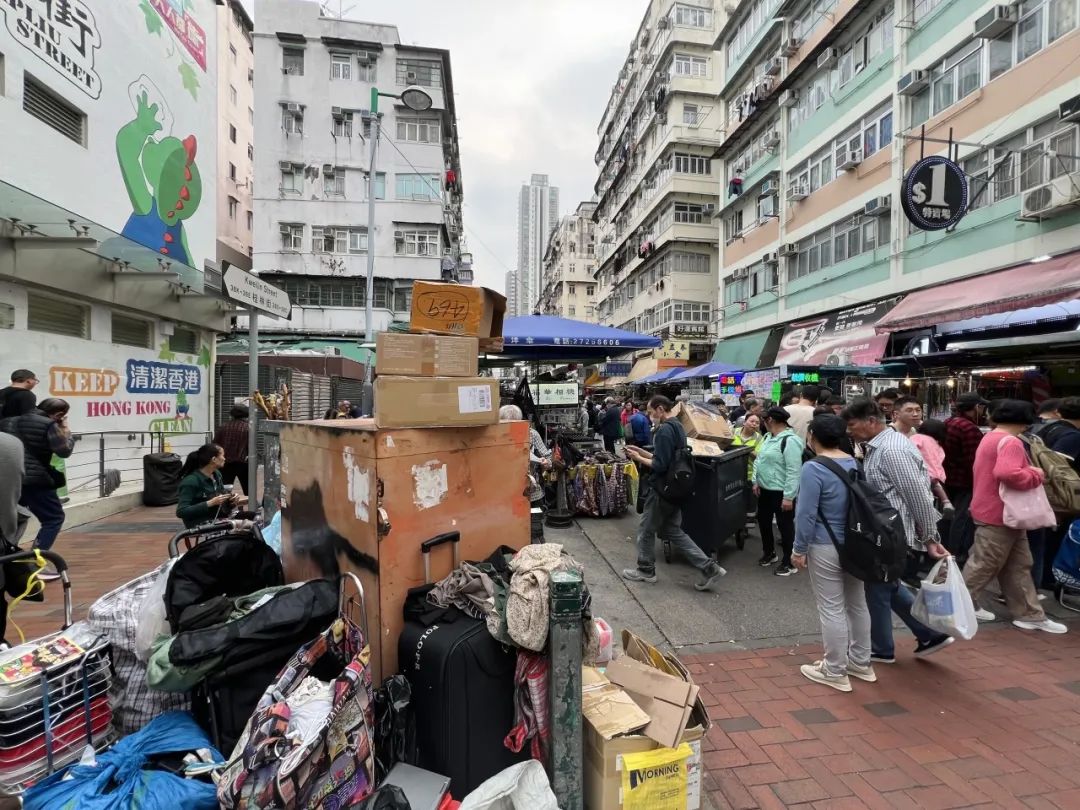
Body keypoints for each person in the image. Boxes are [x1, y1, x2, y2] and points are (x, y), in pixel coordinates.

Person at [842, 399, 954, 662]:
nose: (849, 430)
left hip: (891, 533)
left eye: (852, 424)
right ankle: (928, 633)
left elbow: (918, 496)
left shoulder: (892, 449)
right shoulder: (881, 445)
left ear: (871, 421)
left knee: (878, 587)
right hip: (885, 531)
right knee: (886, 584)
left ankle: (882, 647)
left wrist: (930, 537)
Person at [963, 400, 1067, 634]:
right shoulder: (1011, 441)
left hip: (996, 510)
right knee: (986, 564)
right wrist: (1036, 474)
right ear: (1025, 420)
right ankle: (957, 605)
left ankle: (1029, 614)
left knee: (1015, 565)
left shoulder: (991, 437)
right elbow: (1007, 473)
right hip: (1002, 512)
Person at [791, 414, 875, 692]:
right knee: (857, 603)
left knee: (831, 607)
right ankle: (861, 661)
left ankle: (835, 669)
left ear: (812, 436)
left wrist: (798, 548)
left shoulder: (813, 468)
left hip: (824, 543)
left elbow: (806, 513)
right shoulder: (854, 463)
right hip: (855, 541)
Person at [622, 396, 726, 590]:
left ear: (660, 409)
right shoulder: (678, 426)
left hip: (662, 490)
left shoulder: (663, 431)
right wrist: (641, 452)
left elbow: (660, 465)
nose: (650, 416)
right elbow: (668, 459)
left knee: (646, 530)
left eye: (651, 412)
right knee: (672, 531)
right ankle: (710, 568)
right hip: (676, 488)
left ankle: (645, 570)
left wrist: (638, 458)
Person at [6, 399, 76, 576]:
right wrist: (66, 430)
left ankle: (8, 559)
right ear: (59, 415)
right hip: (35, 480)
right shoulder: (49, 425)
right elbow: (64, 451)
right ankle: (35, 564)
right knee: (53, 518)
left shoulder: (8, 421)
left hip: (9, 478)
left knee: (15, 517)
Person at [753, 407, 804, 576]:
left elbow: (794, 470)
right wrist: (755, 481)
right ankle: (769, 552)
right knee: (764, 521)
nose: (762, 423)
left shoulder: (790, 441)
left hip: (781, 491)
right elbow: (759, 460)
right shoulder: (768, 437)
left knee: (785, 526)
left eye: (764, 419)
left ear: (771, 420)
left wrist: (789, 497)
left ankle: (789, 562)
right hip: (765, 490)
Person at [942, 392, 989, 561]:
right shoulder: (969, 428)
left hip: (947, 478)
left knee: (948, 517)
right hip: (964, 480)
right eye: (981, 407)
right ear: (976, 407)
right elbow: (973, 460)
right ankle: (955, 555)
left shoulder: (948, 422)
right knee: (961, 519)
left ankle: (944, 550)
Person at [176, 443, 248, 529]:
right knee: (248, 525)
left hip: (220, 516)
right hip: (201, 523)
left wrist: (231, 500)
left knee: (256, 517)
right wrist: (210, 503)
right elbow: (181, 511)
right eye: (222, 455)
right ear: (214, 459)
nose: (224, 458)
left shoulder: (217, 474)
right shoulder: (191, 481)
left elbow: (222, 502)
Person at [499, 405, 551, 513]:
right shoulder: (497, 435)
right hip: (504, 490)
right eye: (506, 424)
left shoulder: (532, 434)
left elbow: (547, 456)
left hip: (531, 490)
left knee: (533, 518)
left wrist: (546, 462)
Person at [914, 419, 955, 519]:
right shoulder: (937, 444)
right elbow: (940, 457)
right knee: (936, 486)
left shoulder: (917, 437)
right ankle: (946, 502)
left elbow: (911, 448)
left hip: (920, 473)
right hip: (935, 475)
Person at [212, 404, 250, 496]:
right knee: (248, 490)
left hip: (225, 463)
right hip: (243, 463)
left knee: (224, 489)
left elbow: (215, 444)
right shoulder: (248, 428)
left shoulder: (223, 427)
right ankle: (250, 504)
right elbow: (250, 447)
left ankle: (225, 504)